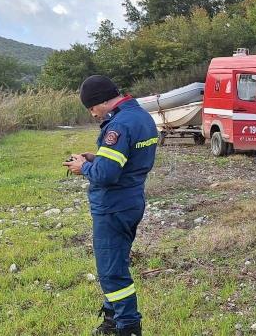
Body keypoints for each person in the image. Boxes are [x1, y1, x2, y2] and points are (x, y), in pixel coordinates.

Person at [63, 75, 157, 336]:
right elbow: (126, 159)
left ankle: (126, 327)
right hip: (131, 201)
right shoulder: (141, 116)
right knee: (116, 263)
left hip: (113, 207)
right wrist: (96, 157)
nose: (93, 114)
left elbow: (106, 175)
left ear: (102, 101)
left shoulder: (119, 125)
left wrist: (84, 166)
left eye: (92, 108)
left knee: (111, 273)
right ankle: (112, 321)